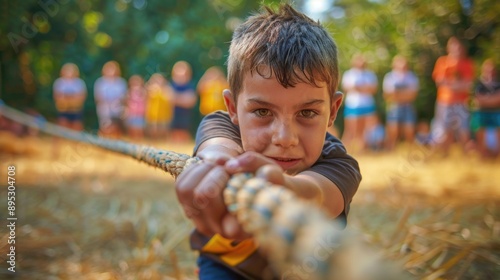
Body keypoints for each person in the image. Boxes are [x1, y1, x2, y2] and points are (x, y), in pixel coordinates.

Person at [175, 4, 361, 279]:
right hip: (227, 266)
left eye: (307, 113)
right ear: (232, 107)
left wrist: (285, 186)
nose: (285, 138)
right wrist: (217, 163)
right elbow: (218, 146)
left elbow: (315, 193)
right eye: (262, 112)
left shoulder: (340, 166)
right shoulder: (221, 125)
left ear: (333, 110)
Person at [431, 36, 474, 154]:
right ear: (448, 47)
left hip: (461, 103)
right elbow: (439, 82)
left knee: (464, 131)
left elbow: (468, 85)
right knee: (444, 131)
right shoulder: (442, 62)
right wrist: (458, 85)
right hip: (444, 102)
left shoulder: (467, 63)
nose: (456, 48)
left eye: (459, 46)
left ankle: (465, 159)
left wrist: (449, 84)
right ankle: (445, 157)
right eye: (453, 45)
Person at [340, 53, 378, 152]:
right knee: (350, 130)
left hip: (367, 105)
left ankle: (362, 150)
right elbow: (346, 88)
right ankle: (343, 150)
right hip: (353, 105)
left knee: (365, 130)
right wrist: (364, 88)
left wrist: (358, 88)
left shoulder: (370, 74)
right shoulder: (349, 74)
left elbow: (373, 89)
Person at [382, 55, 419, 150]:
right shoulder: (389, 76)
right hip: (394, 106)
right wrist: (404, 94)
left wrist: (398, 94)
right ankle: (390, 150)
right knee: (393, 130)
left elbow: (413, 95)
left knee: (409, 130)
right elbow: (387, 95)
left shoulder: (411, 76)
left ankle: (411, 150)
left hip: (407, 106)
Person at [472, 59, 500, 158]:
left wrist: (485, 100)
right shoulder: (478, 84)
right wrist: (493, 99)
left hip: (496, 113)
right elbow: (478, 99)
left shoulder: (498, 84)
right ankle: (483, 157)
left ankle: (496, 158)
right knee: (480, 135)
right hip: (481, 113)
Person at [94, 60, 127, 138]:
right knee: (105, 128)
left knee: (116, 128)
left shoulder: (121, 82)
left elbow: (123, 98)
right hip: (105, 110)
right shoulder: (100, 82)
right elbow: (98, 98)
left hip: (117, 110)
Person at [53, 63, 87, 131]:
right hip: (63, 110)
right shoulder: (59, 82)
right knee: (62, 127)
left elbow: (82, 97)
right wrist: (73, 97)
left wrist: (67, 97)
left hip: (76, 110)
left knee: (77, 127)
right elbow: (57, 97)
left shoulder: (79, 83)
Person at [170, 60, 197, 142]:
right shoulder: (172, 85)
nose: (181, 77)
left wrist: (176, 98)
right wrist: (183, 99)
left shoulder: (189, 86)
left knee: (184, 132)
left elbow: (191, 101)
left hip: (185, 114)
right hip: (173, 113)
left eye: (183, 75)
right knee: (174, 132)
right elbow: (169, 99)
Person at [144, 73, 174, 140]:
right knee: (153, 131)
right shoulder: (151, 91)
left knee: (163, 131)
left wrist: (162, 89)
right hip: (153, 116)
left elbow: (170, 99)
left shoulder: (167, 90)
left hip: (164, 116)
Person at [124, 75, 147, 140]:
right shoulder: (129, 92)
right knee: (132, 128)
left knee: (139, 128)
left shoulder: (143, 92)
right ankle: (132, 141)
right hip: (132, 113)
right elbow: (126, 102)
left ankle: (140, 140)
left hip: (140, 114)